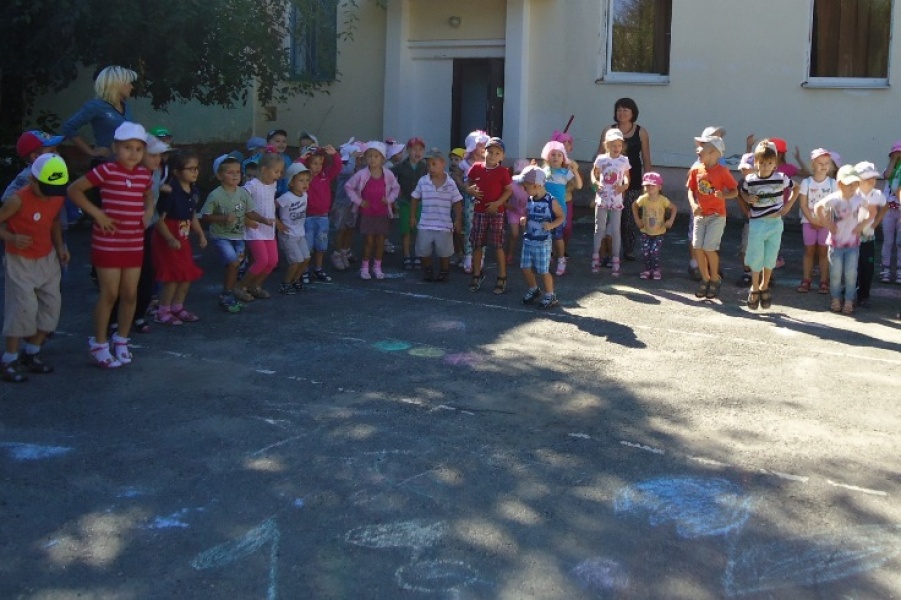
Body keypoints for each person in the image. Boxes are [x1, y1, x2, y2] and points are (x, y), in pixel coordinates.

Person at [68, 122, 154, 368]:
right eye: (127, 147)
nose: (133, 153)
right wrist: (98, 214)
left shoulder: (143, 175)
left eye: (138, 149)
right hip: (108, 242)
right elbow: (74, 190)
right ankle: (99, 343)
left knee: (130, 293)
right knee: (110, 294)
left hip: (134, 241)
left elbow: (149, 196)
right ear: (115, 147)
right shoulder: (106, 170)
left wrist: (148, 212)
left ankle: (122, 340)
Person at [0, 154, 70, 382]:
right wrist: (11, 237)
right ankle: (9, 359)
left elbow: (55, 221)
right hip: (20, 261)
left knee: (51, 307)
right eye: (46, 188)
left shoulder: (56, 196)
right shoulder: (17, 200)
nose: (51, 194)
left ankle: (31, 353)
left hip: (47, 258)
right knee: (22, 309)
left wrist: (60, 246)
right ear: (32, 180)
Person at [739, 141, 799, 310]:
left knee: (771, 257)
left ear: (775, 163)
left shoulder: (781, 178)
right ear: (756, 162)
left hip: (775, 224)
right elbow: (742, 192)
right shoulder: (750, 180)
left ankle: (765, 286)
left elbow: (797, 188)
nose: (765, 167)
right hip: (757, 223)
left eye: (770, 163)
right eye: (762, 163)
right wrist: (747, 198)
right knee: (756, 256)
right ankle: (754, 287)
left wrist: (788, 205)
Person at [151, 150, 207, 324]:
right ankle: (163, 310)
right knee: (173, 276)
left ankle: (177, 307)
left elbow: (192, 215)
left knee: (186, 274)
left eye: (196, 168)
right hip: (169, 238)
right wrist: (169, 238)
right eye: (190, 169)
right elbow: (158, 219)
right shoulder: (170, 192)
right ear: (176, 171)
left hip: (183, 237)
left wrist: (200, 233)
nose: (195, 172)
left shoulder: (193, 190)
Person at [598, 97, 652, 261]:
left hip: (632, 180)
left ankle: (628, 250)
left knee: (629, 216)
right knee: (609, 218)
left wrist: (649, 182)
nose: (622, 113)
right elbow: (600, 156)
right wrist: (596, 181)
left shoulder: (641, 132)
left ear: (633, 113)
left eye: (625, 110)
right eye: (619, 110)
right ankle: (607, 251)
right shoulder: (609, 130)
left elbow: (646, 158)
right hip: (610, 183)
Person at [815, 165, 873, 315]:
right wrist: (826, 224)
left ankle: (848, 300)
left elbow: (872, 211)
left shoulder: (859, 199)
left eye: (855, 183)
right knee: (835, 274)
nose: (853, 187)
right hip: (836, 245)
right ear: (840, 184)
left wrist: (862, 225)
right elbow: (818, 207)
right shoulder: (834, 198)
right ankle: (835, 298)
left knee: (851, 274)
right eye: (849, 184)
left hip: (853, 244)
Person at [687, 134, 738, 300]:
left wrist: (724, 195)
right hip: (700, 216)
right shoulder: (696, 170)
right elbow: (690, 190)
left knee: (709, 248)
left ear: (715, 153)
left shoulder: (722, 171)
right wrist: (693, 205)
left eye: (702, 147)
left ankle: (715, 278)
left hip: (717, 216)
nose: (698, 149)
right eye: (698, 146)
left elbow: (735, 191)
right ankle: (705, 279)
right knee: (697, 247)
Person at [201, 154, 252, 312]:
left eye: (238, 172)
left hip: (239, 236)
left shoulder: (243, 193)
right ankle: (226, 295)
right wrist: (223, 218)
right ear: (220, 176)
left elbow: (250, 211)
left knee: (237, 266)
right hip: (221, 237)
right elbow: (206, 216)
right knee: (233, 263)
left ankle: (231, 291)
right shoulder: (215, 195)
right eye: (230, 172)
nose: (236, 175)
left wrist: (264, 220)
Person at [345, 141, 400, 280]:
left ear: (382, 158)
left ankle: (377, 267)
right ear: (365, 158)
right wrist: (359, 201)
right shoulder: (361, 174)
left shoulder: (388, 174)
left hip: (382, 213)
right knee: (368, 241)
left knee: (380, 241)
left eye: (376, 156)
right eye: (369, 156)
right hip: (367, 214)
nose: (372, 159)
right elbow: (348, 186)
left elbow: (396, 188)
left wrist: (389, 199)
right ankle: (364, 267)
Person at [466, 136, 512, 294]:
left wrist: (497, 204)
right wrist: (469, 189)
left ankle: (502, 276)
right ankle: (477, 274)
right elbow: (468, 182)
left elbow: (508, 190)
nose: (493, 155)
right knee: (477, 244)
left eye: (497, 153)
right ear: (484, 152)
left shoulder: (502, 172)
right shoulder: (476, 167)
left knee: (497, 244)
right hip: (479, 211)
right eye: (490, 151)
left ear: (502, 156)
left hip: (496, 212)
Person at [236, 152, 286, 299]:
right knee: (262, 260)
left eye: (280, 172)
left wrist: (277, 221)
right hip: (255, 229)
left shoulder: (273, 185)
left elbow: (269, 206)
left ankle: (255, 285)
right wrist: (247, 220)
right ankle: (241, 286)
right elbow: (240, 205)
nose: (278, 175)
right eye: (276, 171)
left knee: (272, 261)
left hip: (268, 229)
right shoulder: (251, 186)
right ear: (264, 170)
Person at [515, 165, 565, 310]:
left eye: (526, 187)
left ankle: (550, 295)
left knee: (543, 271)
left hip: (543, 242)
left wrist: (551, 225)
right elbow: (527, 213)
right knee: (525, 268)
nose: (524, 190)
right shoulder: (530, 199)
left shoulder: (551, 201)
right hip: (529, 239)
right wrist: (524, 218)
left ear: (536, 185)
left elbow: (561, 217)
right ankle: (534, 289)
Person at [410, 149, 463, 282]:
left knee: (444, 251)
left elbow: (457, 202)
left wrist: (458, 219)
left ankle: (444, 270)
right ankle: (427, 269)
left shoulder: (450, 183)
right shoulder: (423, 181)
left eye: (434, 164)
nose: (431, 168)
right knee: (423, 250)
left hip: (444, 224)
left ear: (442, 163)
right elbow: (415, 198)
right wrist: (413, 216)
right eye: (428, 165)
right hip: (425, 223)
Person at [62, 66, 138, 159]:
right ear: (117, 84)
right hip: (105, 164)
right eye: (128, 83)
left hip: (124, 164)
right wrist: (91, 151)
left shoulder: (125, 105)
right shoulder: (96, 106)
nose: (131, 86)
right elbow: (68, 128)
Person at [797, 148, 838, 294]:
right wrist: (812, 220)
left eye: (827, 163)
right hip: (808, 222)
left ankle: (824, 280)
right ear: (813, 164)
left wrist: (823, 222)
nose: (824, 166)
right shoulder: (806, 183)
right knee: (809, 251)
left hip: (825, 224)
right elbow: (803, 204)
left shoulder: (833, 184)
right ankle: (806, 279)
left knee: (823, 252)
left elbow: (834, 205)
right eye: (820, 163)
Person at [300, 144, 342, 284]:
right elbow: (293, 169)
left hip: (323, 217)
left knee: (321, 245)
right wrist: (302, 158)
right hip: (308, 217)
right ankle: (304, 270)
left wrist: (334, 154)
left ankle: (318, 269)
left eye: (320, 163)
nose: (318, 167)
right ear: (307, 163)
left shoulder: (325, 175)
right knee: (307, 246)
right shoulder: (303, 177)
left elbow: (338, 167)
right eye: (314, 163)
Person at [591, 129, 630, 275]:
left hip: (616, 198)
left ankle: (615, 258)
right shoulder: (601, 159)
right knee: (599, 228)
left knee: (615, 229)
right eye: (613, 145)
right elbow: (594, 173)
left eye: (619, 145)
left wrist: (624, 185)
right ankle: (596, 256)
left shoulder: (624, 160)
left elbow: (626, 176)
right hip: (602, 197)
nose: (617, 148)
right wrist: (595, 182)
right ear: (607, 145)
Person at [541, 140, 582, 276]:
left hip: (559, 211)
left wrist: (575, 171)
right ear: (547, 156)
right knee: (545, 235)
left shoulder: (565, 173)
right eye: (553, 154)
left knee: (558, 236)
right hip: (545, 210)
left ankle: (561, 259)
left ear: (563, 158)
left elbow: (579, 185)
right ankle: (546, 257)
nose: (556, 157)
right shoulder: (543, 172)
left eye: (559, 155)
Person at [854, 161, 887, 308]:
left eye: (873, 177)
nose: (872, 181)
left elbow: (885, 206)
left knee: (867, 268)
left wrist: (876, 222)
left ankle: (864, 295)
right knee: (853, 267)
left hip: (868, 238)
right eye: (867, 178)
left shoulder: (877, 194)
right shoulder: (853, 194)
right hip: (853, 238)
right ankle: (850, 292)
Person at [276, 162, 313, 295]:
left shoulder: (305, 195)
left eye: (307, 180)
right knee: (296, 261)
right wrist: (277, 222)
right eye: (301, 180)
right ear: (291, 182)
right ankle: (285, 284)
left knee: (306, 258)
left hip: (300, 234)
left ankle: (295, 280)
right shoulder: (286, 197)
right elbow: (270, 207)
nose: (305, 183)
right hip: (288, 235)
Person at [631, 172, 676, 280]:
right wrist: (637, 220)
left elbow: (674, 208)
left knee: (654, 252)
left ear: (659, 187)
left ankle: (656, 269)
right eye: (647, 185)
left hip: (659, 232)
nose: (650, 187)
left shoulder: (663, 200)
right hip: (645, 231)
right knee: (645, 252)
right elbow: (634, 206)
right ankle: (647, 269)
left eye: (653, 185)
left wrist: (670, 220)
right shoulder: (643, 199)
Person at [392, 137, 428, 269]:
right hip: (405, 202)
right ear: (408, 151)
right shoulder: (401, 166)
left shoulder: (425, 167)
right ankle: (407, 255)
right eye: (414, 149)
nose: (417, 152)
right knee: (405, 230)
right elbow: (389, 176)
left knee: (418, 230)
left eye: (420, 149)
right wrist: (395, 192)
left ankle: (418, 254)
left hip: (420, 203)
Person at [3, 130, 65, 202]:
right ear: (35, 157)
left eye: (56, 150)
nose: (57, 154)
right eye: (51, 152)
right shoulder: (30, 177)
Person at [331, 139, 365, 271]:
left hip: (353, 204)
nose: (360, 160)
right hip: (342, 204)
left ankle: (345, 251)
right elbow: (348, 171)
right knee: (341, 229)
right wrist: (351, 157)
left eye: (360, 158)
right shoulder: (343, 168)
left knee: (350, 228)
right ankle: (337, 253)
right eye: (357, 158)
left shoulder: (357, 168)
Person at [460, 130, 489, 273]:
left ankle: (481, 256)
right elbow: (456, 177)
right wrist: (465, 188)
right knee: (469, 227)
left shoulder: (488, 163)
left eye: (485, 145)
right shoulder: (464, 164)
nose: (483, 148)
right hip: (469, 199)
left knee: (483, 227)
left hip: (484, 199)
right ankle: (468, 255)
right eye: (480, 145)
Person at [880, 140, 901, 283]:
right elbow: (887, 175)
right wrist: (894, 161)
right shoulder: (889, 169)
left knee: (900, 242)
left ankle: (899, 270)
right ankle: (885, 269)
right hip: (888, 210)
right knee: (888, 241)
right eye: (896, 153)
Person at [506, 159, 530, 268]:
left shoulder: (531, 184)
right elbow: (503, 198)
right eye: (518, 173)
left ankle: (527, 256)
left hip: (526, 212)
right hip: (513, 212)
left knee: (527, 235)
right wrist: (508, 206)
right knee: (514, 234)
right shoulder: (511, 184)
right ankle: (509, 254)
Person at [449, 147, 468, 265]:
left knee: (462, 232)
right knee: (453, 232)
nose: (453, 162)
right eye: (452, 159)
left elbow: (465, 189)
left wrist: (458, 179)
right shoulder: (449, 175)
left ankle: (466, 255)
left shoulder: (466, 176)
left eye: (457, 159)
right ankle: (457, 253)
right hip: (452, 208)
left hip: (464, 208)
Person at [265, 128, 293, 197]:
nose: (281, 144)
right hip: (270, 192)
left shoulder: (287, 158)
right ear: (268, 143)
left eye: (284, 141)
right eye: (277, 141)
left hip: (286, 191)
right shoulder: (266, 158)